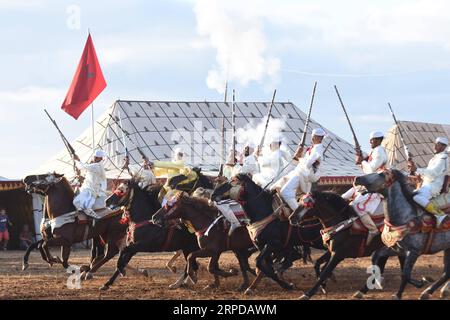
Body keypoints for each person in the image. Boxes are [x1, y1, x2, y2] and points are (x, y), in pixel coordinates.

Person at [342, 131, 388, 244]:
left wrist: (362, 160)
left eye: (372, 140)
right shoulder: (374, 151)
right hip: (367, 185)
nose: (370, 142)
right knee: (343, 197)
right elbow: (364, 158)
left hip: (376, 187)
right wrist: (359, 153)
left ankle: (373, 229)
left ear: (378, 140)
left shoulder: (379, 152)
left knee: (356, 205)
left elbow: (371, 169)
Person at [279, 128, 325, 212]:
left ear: (315, 137)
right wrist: (298, 155)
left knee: (285, 192)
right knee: (280, 183)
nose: (312, 138)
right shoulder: (313, 148)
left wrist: (299, 158)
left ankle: (299, 214)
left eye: (313, 136)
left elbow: (307, 164)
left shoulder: (317, 149)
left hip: (303, 175)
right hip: (300, 172)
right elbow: (299, 163)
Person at [408, 137, 449, 226]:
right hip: (426, 185)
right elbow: (426, 173)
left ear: (443, 146)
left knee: (416, 197)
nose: (434, 146)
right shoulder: (434, 158)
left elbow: (433, 173)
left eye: (437, 144)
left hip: (433, 186)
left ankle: (440, 215)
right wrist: (414, 170)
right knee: (410, 194)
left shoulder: (443, 158)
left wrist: (417, 169)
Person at [73, 149, 107, 223]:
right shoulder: (96, 166)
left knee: (76, 202)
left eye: (96, 157)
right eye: (94, 157)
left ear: (100, 158)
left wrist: (76, 160)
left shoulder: (96, 166)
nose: (94, 158)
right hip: (87, 188)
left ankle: (92, 214)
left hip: (90, 189)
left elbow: (82, 167)